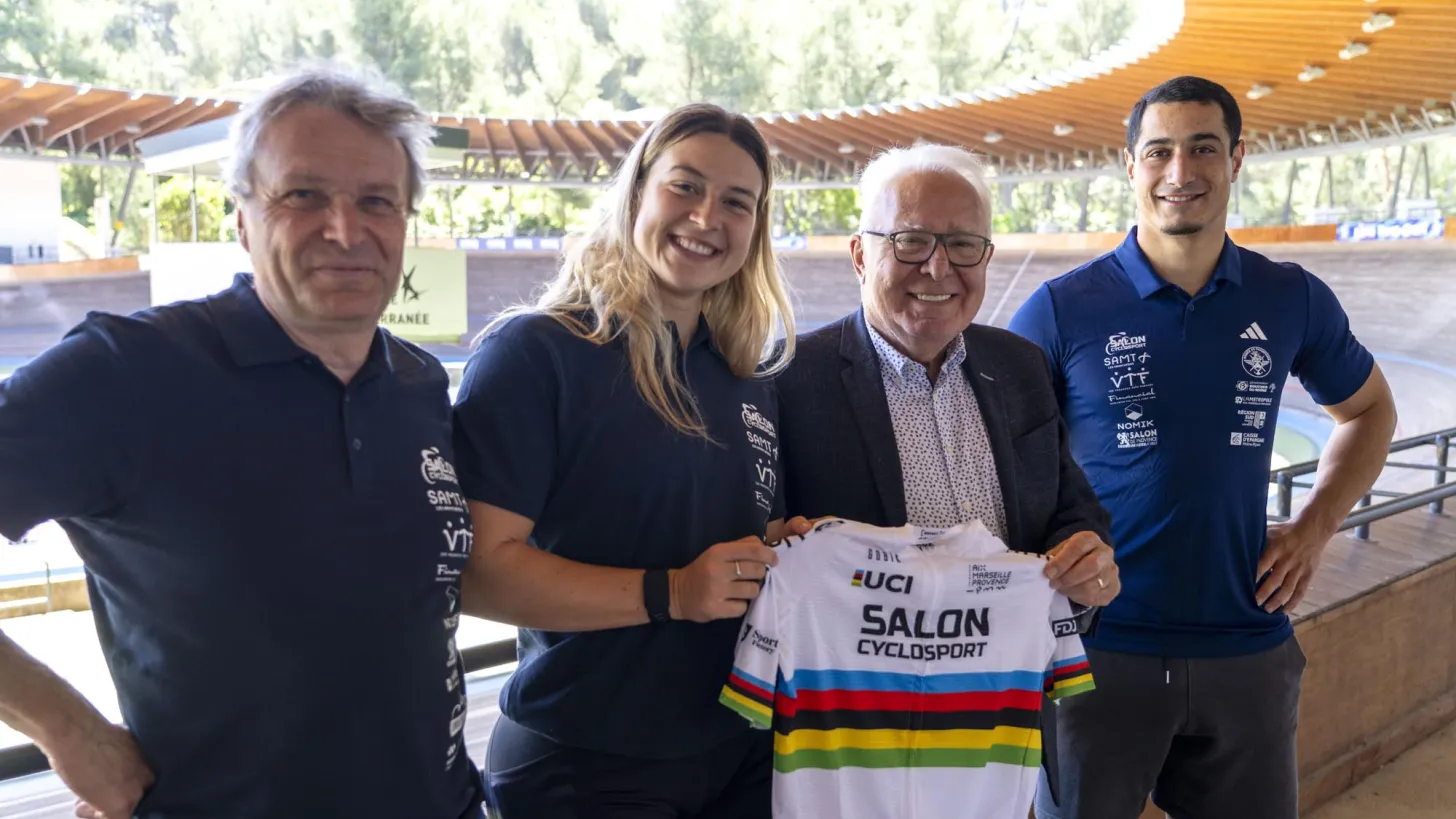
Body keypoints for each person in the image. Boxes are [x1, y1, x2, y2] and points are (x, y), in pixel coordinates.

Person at [0, 67, 483, 819]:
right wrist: (67, 729)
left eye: (377, 201)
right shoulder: (127, 372)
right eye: (303, 195)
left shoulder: (418, 384)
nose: (346, 231)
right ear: (243, 218)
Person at [1008, 76, 1399, 819]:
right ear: (1131, 166)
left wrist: (1314, 526)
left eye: (1203, 149)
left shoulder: (1289, 296)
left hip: (1246, 643)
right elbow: (995, 454)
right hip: (1098, 648)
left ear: (1237, 158)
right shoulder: (1060, 308)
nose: (1180, 171)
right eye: (1159, 151)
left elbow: (1370, 409)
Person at [451, 103, 808, 819]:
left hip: (738, 750)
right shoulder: (537, 354)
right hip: (586, 760)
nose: (706, 217)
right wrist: (671, 591)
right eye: (685, 186)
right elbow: (479, 574)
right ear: (637, 192)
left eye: (736, 202)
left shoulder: (744, 375)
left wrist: (789, 548)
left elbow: (722, 539)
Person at [774, 143, 1120, 807]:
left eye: (962, 244)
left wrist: (1085, 560)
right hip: (849, 756)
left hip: (999, 742)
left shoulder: (1020, 367)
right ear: (859, 255)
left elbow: (1071, 508)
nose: (938, 268)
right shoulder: (789, 380)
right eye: (910, 240)